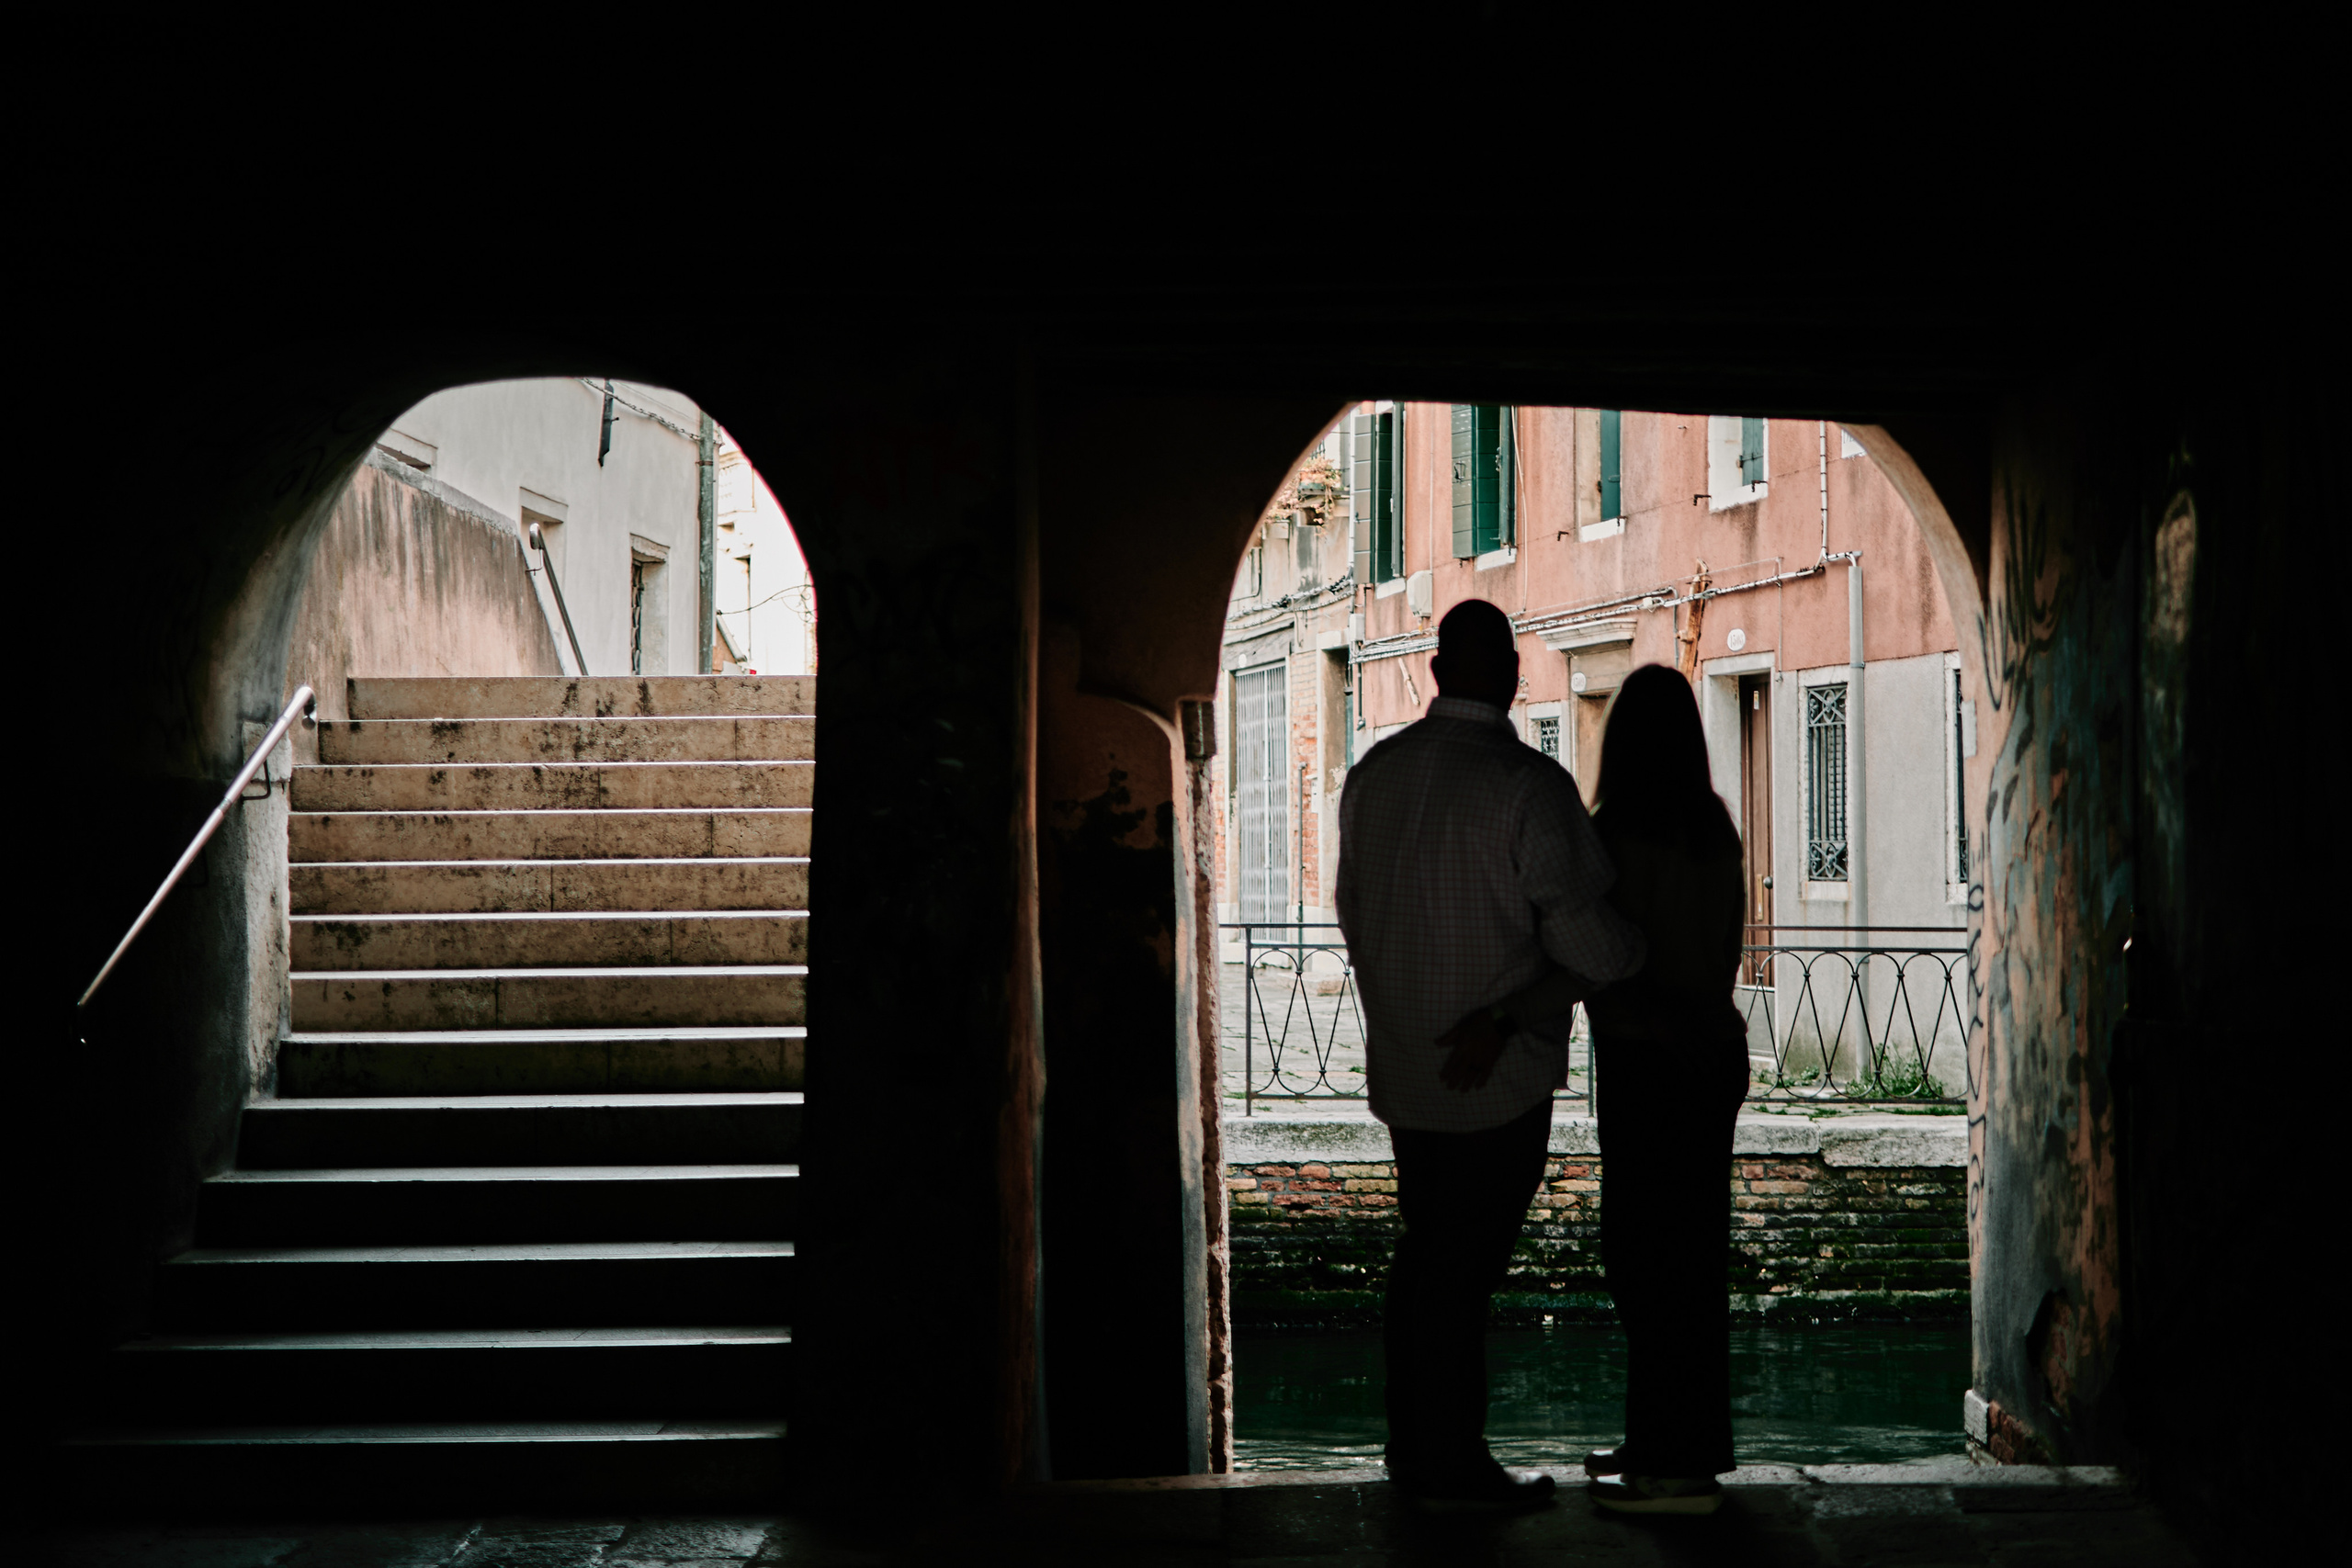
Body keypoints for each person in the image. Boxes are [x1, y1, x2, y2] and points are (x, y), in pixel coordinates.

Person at [1335, 599, 1645, 1511]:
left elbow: (1353, 912)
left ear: (1436, 672)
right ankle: (1453, 1464)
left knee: (1426, 1257)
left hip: (1405, 1072)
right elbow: (1598, 953)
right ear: (1513, 676)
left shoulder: (1372, 776)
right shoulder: (1529, 787)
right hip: (1495, 1078)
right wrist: (1637, 944)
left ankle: (1416, 1450)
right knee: (1462, 1272)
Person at [1567, 662, 1752, 1517]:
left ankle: (1673, 1464)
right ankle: (1669, 1443)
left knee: (1642, 1257)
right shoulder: (1715, 826)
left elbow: (1602, 955)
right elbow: (1723, 951)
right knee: (1690, 1257)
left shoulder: (1611, 833)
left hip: (1645, 1057)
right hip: (1711, 1055)